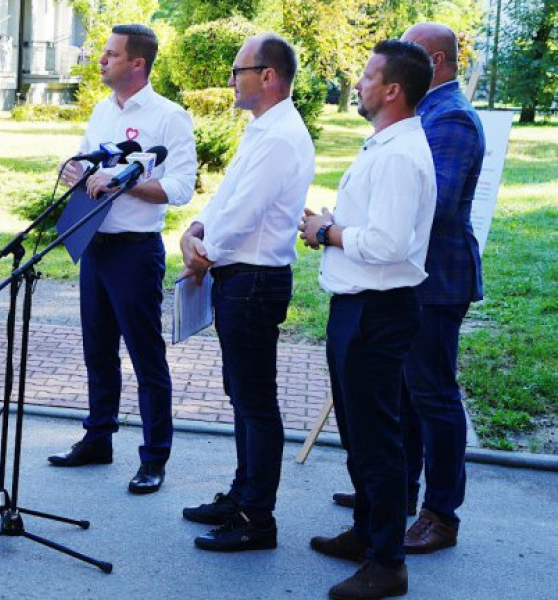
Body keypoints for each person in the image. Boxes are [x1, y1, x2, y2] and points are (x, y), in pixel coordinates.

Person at [327, 23, 486, 556]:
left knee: (432, 398)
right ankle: (394, 494)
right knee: (399, 399)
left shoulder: (453, 118)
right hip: (399, 276)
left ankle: (440, 513)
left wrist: (344, 230)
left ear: (432, 60)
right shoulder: (422, 119)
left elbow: (431, 206)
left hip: (434, 281)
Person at [299, 40, 436, 600]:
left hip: (377, 313)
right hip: (358, 307)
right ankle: (365, 535)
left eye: (366, 75)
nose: (357, 83)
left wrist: (328, 233)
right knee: (359, 434)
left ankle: (387, 563)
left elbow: (387, 243)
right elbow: (375, 227)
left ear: (392, 89)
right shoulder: (385, 144)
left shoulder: (401, 154)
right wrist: (334, 224)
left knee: (377, 439)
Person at [45, 24, 197, 497]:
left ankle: (154, 458)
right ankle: (97, 438)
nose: (101, 61)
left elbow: (180, 189)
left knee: (146, 358)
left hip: (135, 251)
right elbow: (90, 170)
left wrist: (122, 183)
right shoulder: (100, 110)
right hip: (96, 246)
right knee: (97, 352)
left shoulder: (170, 117)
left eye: (110, 54)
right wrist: (74, 171)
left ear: (138, 63)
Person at [177, 34, 315, 551]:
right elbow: (227, 196)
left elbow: (243, 215)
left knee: (256, 402)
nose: (232, 80)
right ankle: (242, 494)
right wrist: (195, 227)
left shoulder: (280, 137)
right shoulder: (263, 130)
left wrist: (203, 249)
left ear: (269, 76)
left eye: (240, 71)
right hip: (240, 277)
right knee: (242, 395)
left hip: (254, 281)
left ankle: (257, 518)